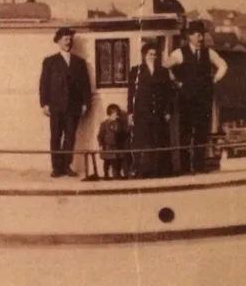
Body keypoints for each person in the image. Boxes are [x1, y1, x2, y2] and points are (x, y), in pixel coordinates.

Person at [166, 20, 228, 174]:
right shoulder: (179, 53)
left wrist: (214, 80)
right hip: (186, 100)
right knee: (185, 133)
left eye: (202, 35)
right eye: (198, 35)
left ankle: (199, 167)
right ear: (190, 36)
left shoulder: (209, 53)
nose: (201, 38)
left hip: (203, 100)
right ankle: (185, 168)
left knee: (201, 133)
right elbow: (165, 67)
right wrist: (177, 83)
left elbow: (223, 66)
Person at [38, 26, 92, 177]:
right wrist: (44, 103)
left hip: (73, 107)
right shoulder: (50, 62)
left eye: (70, 39)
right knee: (56, 136)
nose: (68, 42)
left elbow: (85, 85)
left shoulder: (80, 62)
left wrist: (85, 103)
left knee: (70, 137)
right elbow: (44, 84)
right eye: (65, 39)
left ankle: (66, 166)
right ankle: (56, 168)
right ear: (58, 41)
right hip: (56, 107)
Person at [127, 41, 174, 177]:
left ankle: (159, 171)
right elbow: (131, 93)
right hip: (142, 112)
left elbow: (168, 93)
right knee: (143, 140)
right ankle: (142, 171)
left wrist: (168, 110)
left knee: (158, 139)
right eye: (150, 54)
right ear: (144, 55)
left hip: (158, 111)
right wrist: (130, 112)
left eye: (155, 55)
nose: (153, 57)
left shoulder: (163, 71)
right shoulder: (136, 71)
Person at [97, 104, 130, 179]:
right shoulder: (104, 124)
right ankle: (106, 174)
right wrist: (101, 145)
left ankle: (117, 174)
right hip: (107, 146)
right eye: (115, 115)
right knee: (107, 162)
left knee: (116, 162)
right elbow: (100, 136)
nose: (116, 116)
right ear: (109, 114)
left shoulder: (118, 124)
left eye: (117, 115)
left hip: (116, 146)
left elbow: (121, 134)